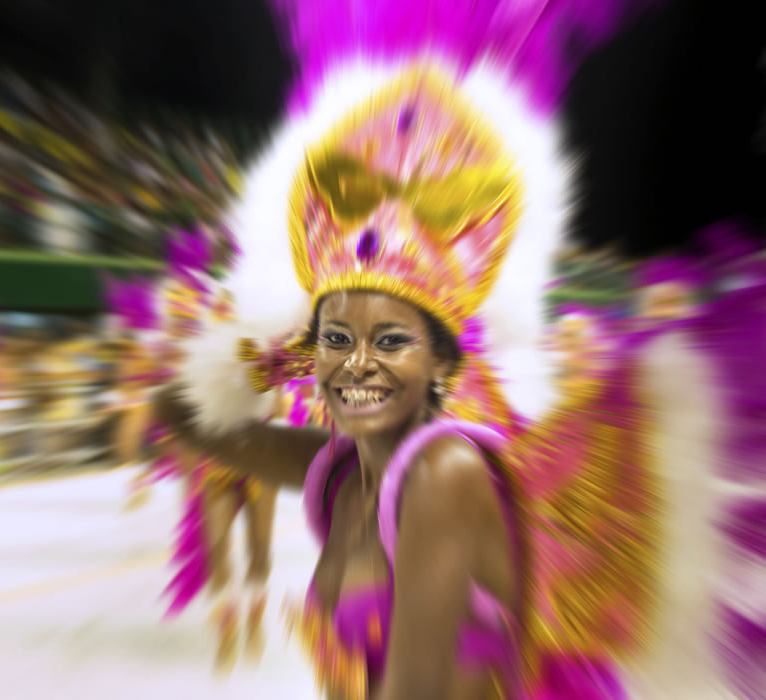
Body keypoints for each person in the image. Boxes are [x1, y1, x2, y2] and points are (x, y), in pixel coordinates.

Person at [150, 1, 764, 697]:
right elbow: (184, 417)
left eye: (390, 340)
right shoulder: (344, 473)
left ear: (442, 361)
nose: (358, 362)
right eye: (337, 339)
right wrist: (258, 352)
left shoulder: (446, 475)